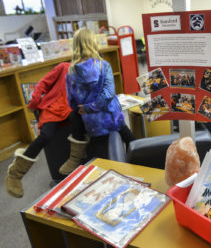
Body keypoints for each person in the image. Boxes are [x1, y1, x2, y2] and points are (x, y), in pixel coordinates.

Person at [59, 28, 136, 175]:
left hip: (92, 123)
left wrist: (86, 108)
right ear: (92, 43)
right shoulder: (102, 65)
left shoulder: (70, 72)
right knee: (131, 140)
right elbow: (108, 94)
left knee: (100, 158)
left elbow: (71, 102)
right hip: (111, 117)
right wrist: (93, 106)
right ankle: (141, 165)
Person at [5, 62, 72, 198]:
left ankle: (76, 167)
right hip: (54, 109)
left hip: (71, 111)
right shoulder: (64, 67)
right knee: (45, 136)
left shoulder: (90, 70)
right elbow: (43, 83)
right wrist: (34, 103)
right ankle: (16, 173)